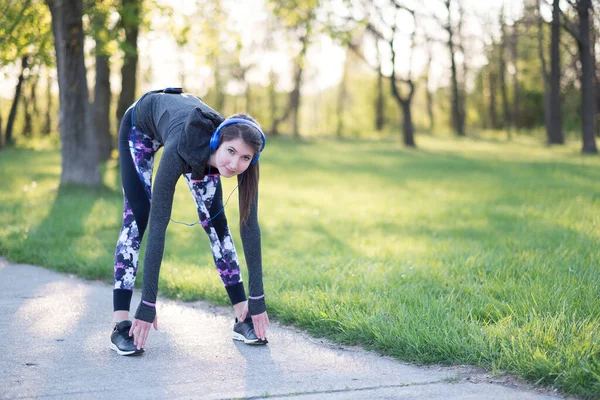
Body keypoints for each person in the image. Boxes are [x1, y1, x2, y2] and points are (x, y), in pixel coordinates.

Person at [110, 88, 269, 356]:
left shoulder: (242, 148)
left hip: (191, 140)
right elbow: (159, 225)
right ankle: (120, 323)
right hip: (142, 124)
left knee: (217, 224)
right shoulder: (181, 149)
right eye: (230, 152)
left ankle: (242, 316)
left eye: (245, 158)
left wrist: (258, 300)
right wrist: (147, 303)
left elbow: (249, 226)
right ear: (218, 141)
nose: (234, 163)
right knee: (138, 217)